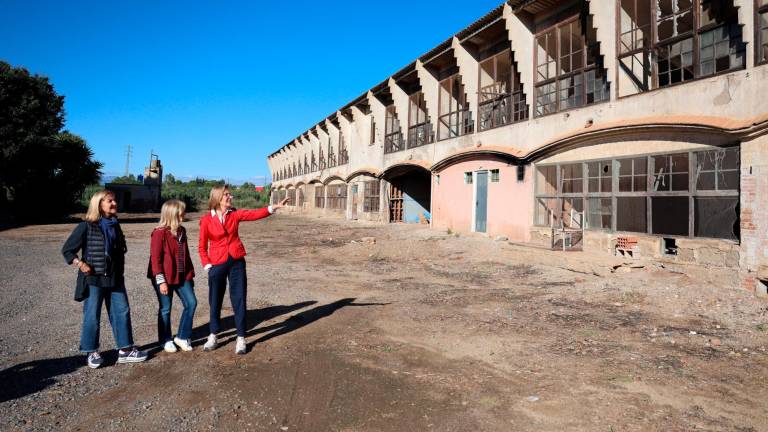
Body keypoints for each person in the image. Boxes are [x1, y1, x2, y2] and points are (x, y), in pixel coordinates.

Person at [61, 190, 148, 368]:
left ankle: (125, 350)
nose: (114, 203)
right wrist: (80, 263)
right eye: (110, 201)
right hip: (94, 278)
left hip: (115, 278)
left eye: (114, 200)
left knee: (122, 312)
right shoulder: (86, 226)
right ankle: (91, 351)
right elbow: (67, 250)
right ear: (99, 204)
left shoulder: (115, 224)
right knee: (92, 315)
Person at [199, 186, 288, 354]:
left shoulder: (234, 214)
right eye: (227, 194)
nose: (230, 196)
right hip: (216, 263)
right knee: (215, 300)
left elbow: (253, 214)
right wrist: (207, 265)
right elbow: (202, 247)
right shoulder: (206, 220)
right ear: (218, 198)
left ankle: (241, 337)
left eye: (229, 194)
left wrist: (273, 208)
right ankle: (213, 335)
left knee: (239, 299)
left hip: (236, 261)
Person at [147, 199, 197, 353]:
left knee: (191, 303)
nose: (185, 214)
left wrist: (190, 275)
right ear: (173, 213)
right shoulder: (159, 233)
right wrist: (161, 281)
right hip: (164, 277)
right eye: (182, 211)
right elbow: (155, 260)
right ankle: (165, 339)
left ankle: (182, 336)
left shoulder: (182, 231)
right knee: (166, 309)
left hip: (182, 276)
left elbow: (186, 255)